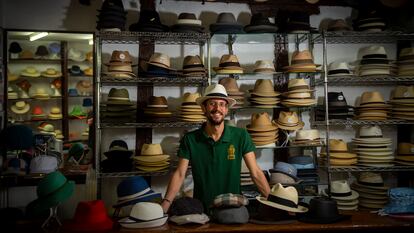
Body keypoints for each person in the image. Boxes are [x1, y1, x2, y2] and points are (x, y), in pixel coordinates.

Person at [161, 84, 270, 213]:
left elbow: (256, 172)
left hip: (233, 210)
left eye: (222, 104)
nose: (217, 108)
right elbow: (179, 174)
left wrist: (273, 201)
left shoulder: (241, 136)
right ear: (204, 108)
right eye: (212, 103)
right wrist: (165, 205)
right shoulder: (190, 139)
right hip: (202, 210)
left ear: (226, 110)